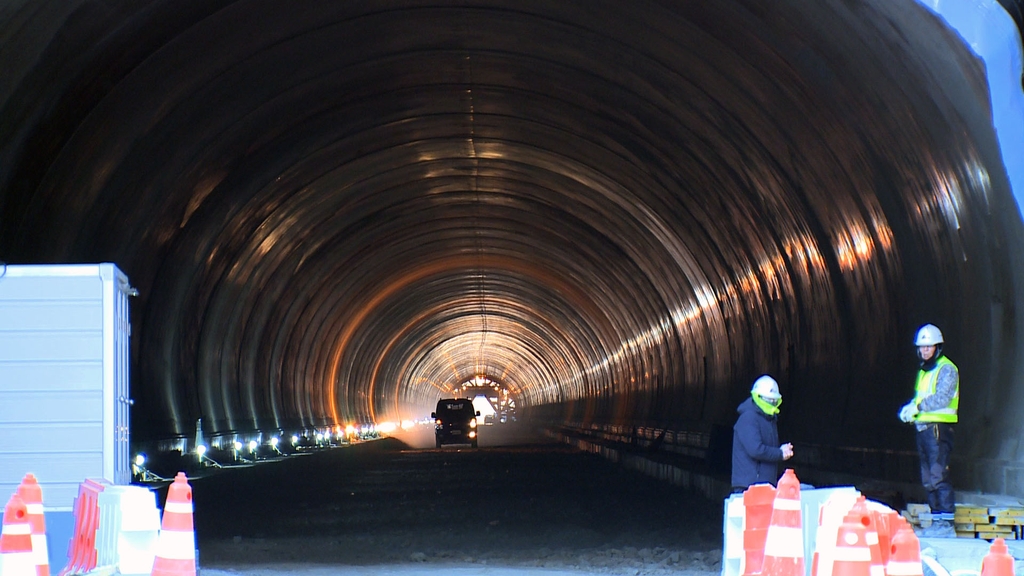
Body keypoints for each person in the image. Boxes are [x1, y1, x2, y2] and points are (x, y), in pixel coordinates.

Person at [899, 323, 960, 538]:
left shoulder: (947, 369)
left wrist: (918, 407)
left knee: (938, 475)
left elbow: (942, 397)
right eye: (922, 347)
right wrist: (911, 410)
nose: (925, 351)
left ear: (938, 347)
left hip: (938, 431)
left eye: (929, 347)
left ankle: (945, 523)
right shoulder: (924, 371)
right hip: (924, 429)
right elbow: (920, 397)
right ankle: (937, 520)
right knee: (928, 477)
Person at [731, 374, 794, 491]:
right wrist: (780, 453)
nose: (772, 403)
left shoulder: (769, 418)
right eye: (770, 400)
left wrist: (781, 450)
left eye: (774, 401)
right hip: (749, 486)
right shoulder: (749, 418)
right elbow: (756, 450)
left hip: (764, 485)